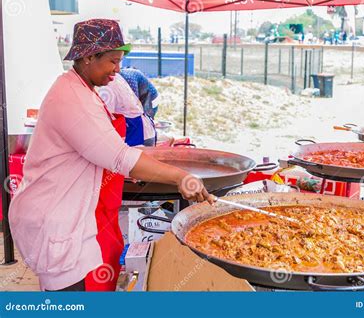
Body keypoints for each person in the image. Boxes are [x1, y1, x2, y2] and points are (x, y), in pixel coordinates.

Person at [8, 19, 214, 292]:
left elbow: (106, 147)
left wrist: (149, 160)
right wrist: (181, 177)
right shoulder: (70, 98)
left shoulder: (83, 90)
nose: (118, 70)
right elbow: (118, 157)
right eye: (113, 61)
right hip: (54, 216)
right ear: (89, 56)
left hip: (71, 212)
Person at [99, 72, 156, 146]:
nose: (117, 68)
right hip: (144, 131)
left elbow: (105, 120)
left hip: (137, 134)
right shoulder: (116, 77)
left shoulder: (107, 84)